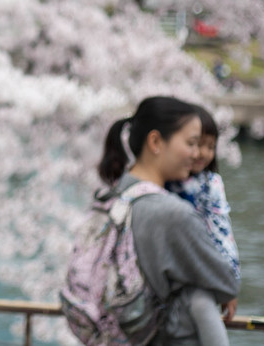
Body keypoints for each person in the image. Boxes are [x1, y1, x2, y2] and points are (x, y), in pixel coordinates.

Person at [98, 96, 240, 346]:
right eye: (191, 143)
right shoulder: (174, 213)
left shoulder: (110, 197)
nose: (197, 154)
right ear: (155, 141)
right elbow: (225, 282)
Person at [166, 105, 240, 346]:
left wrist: (230, 283)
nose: (202, 153)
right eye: (196, 144)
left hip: (203, 274)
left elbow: (222, 232)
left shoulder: (211, 184)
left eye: (210, 146)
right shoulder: (167, 181)